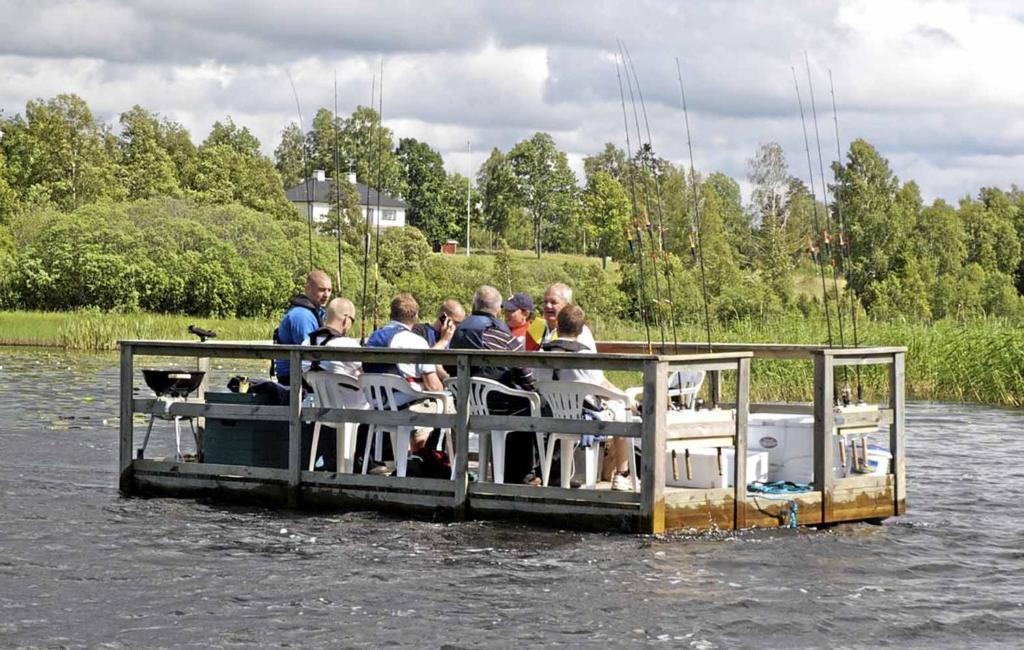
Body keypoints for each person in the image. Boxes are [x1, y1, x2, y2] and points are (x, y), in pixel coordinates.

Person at [449, 285, 540, 485]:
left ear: (473, 305)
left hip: (466, 405)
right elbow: (524, 371)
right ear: (497, 309)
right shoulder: (498, 333)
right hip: (496, 406)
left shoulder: (458, 331)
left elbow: (448, 368)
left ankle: (498, 472)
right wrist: (535, 389)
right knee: (528, 406)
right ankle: (519, 477)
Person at [540, 304, 633, 491]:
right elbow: (600, 387)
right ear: (582, 329)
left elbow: (536, 383)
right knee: (623, 413)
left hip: (551, 418)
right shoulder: (584, 356)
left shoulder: (542, 354)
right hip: (583, 419)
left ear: (557, 326)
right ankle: (622, 475)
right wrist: (625, 399)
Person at [364, 293, 454, 452]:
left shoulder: (372, 338)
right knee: (452, 405)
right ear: (416, 316)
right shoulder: (416, 341)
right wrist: (447, 389)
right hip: (405, 409)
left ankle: (409, 458)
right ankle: (448, 464)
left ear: (391, 313)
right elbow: (433, 387)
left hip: (377, 407)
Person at [274, 270, 332, 386]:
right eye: (321, 290)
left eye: (329, 290)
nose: (326, 295)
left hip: (304, 374)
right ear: (307, 289)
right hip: (292, 378)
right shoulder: (302, 315)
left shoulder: (316, 312)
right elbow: (309, 354)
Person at [300, 297, 362, 379]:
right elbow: (364, 373)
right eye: (352, 320)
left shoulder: (305, 343)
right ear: (346, 319)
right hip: (342, 391)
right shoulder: (349, 345)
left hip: (312, 391)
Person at [525, 282, 596, 352]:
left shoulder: (578, 331)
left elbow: (588, 360)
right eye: (545, 302)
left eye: (553, 302)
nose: (548, 306)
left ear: (567, 305)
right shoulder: (535, 328)